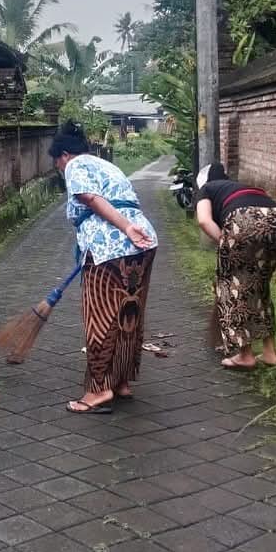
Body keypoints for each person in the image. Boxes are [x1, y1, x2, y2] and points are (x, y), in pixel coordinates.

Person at [51, 121, 158, 413]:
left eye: (57, 163)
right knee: (129, 313)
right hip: (143, 242)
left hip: (109, 247)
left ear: (63, 155)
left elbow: (89, 197)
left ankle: (98, 389)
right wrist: (131, 229)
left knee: (100, 317)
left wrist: (125, 227)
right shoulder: (107, 166)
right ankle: (121, 381)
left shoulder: (75, 165)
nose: (59, 169)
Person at [194, 162, 276, 370]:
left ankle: (245, 355)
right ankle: (270, 353)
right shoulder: (236, 187)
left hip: (243, 218)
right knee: (259, 285)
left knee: (232, 287)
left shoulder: (206, 189)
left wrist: (225, 242)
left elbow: (204, 221)